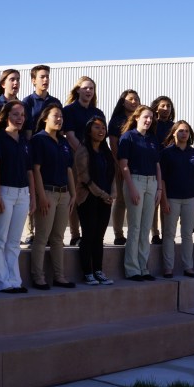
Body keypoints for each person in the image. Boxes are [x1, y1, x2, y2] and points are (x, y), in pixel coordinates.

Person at [0, 101, 34, 293]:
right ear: (6, 115)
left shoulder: (24, 140)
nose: (20, 118)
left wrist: (32, 197)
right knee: (0, 239)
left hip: (23, 194)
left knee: (14, 241)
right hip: (5, 191)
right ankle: (2, 282)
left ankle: (14, 280)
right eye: (15, 114)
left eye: (22, 115)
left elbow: (29, 171)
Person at [30, 104, 76, 289]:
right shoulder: (38, 140)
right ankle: (38, 277)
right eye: (55, 116)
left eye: (61, 117)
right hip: (47, 193)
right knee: (42, 237)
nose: (59, 119)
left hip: (64, 194)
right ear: (45, 118)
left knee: (58, 237)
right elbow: (36, 170)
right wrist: (41, 196)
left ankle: (59, 276)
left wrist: (73, 194)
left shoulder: (63, 142)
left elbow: (69, 169)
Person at [117, 105, 162, 281]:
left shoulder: (152, 139)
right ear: (136, 117)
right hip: (135, 181)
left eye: (151, 117)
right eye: (145, 117)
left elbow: (157, 164)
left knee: (145, 227)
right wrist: (131, 187)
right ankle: (132, 269)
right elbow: (123, 164)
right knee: (135, 227)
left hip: (152, 182)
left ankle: (144, 267)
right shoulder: (128, 137)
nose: (148, 120)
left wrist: (159, 188)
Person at [20, 64, 62, 246]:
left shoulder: (55, 102)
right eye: (42, 77)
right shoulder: (27, 102)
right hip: (33, 150)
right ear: (33, 80)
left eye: (47, 77)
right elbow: (25, 129)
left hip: (51, 153)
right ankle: (30, 231)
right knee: (33, 190)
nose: (45, 80)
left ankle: (48, 232)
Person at [158, 120, 194, 278]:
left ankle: (188, 267)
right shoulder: (166, 153)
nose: (184, 134)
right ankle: (168, 268)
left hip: (191, 198)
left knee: (187, 234)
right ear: (173, 133)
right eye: (180, 131)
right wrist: (164, 200)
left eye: (186, 131)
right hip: (172, 199)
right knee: (169, 234)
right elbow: (162, 179)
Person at [63, 76, 106, 246]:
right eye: (85, 88)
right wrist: (84, 154)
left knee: (93, 195)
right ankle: (75, 234)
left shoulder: (98, 113)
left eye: (91, 88)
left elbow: (102, 136)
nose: (88, 91)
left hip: (96, 160)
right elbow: (70, 135)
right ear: (78, 90)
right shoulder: (69, 110)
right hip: (76, 159)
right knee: (76, 195)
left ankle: (91, 234)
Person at [73, 116, 116, 285]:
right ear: (89, 130)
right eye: (97, 127)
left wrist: (112, 193)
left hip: (105, 199)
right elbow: (84, 178)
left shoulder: (106, 152)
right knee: (89, 235)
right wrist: (102, 194)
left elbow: (112, 174)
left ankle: (98, 270)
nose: (101, 131)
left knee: (99, 236)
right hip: (88, 198)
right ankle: (87, 272)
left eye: (103, 128)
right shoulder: (83, 150)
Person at [107, 89, 140, 245]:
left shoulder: (141, 119)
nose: (134, 102)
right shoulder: (116, 121)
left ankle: (136, 234)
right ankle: (118, 234)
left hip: (139, 167)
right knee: (121, 200)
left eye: (136, 99)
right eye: (130, 99)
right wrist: (119, 165)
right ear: (123, 101)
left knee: (136, 201)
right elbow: (113, 145)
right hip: (121, 165)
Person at [149, 96, 176, 245]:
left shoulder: (174, 126)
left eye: (168, 106)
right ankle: (155, 233)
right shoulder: (152, 124)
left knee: (167, 201)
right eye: (163, 106)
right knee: (155, 201)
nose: (166, 109)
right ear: (156, 108)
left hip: (170, 166)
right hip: (154, 165)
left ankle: (167, 233)